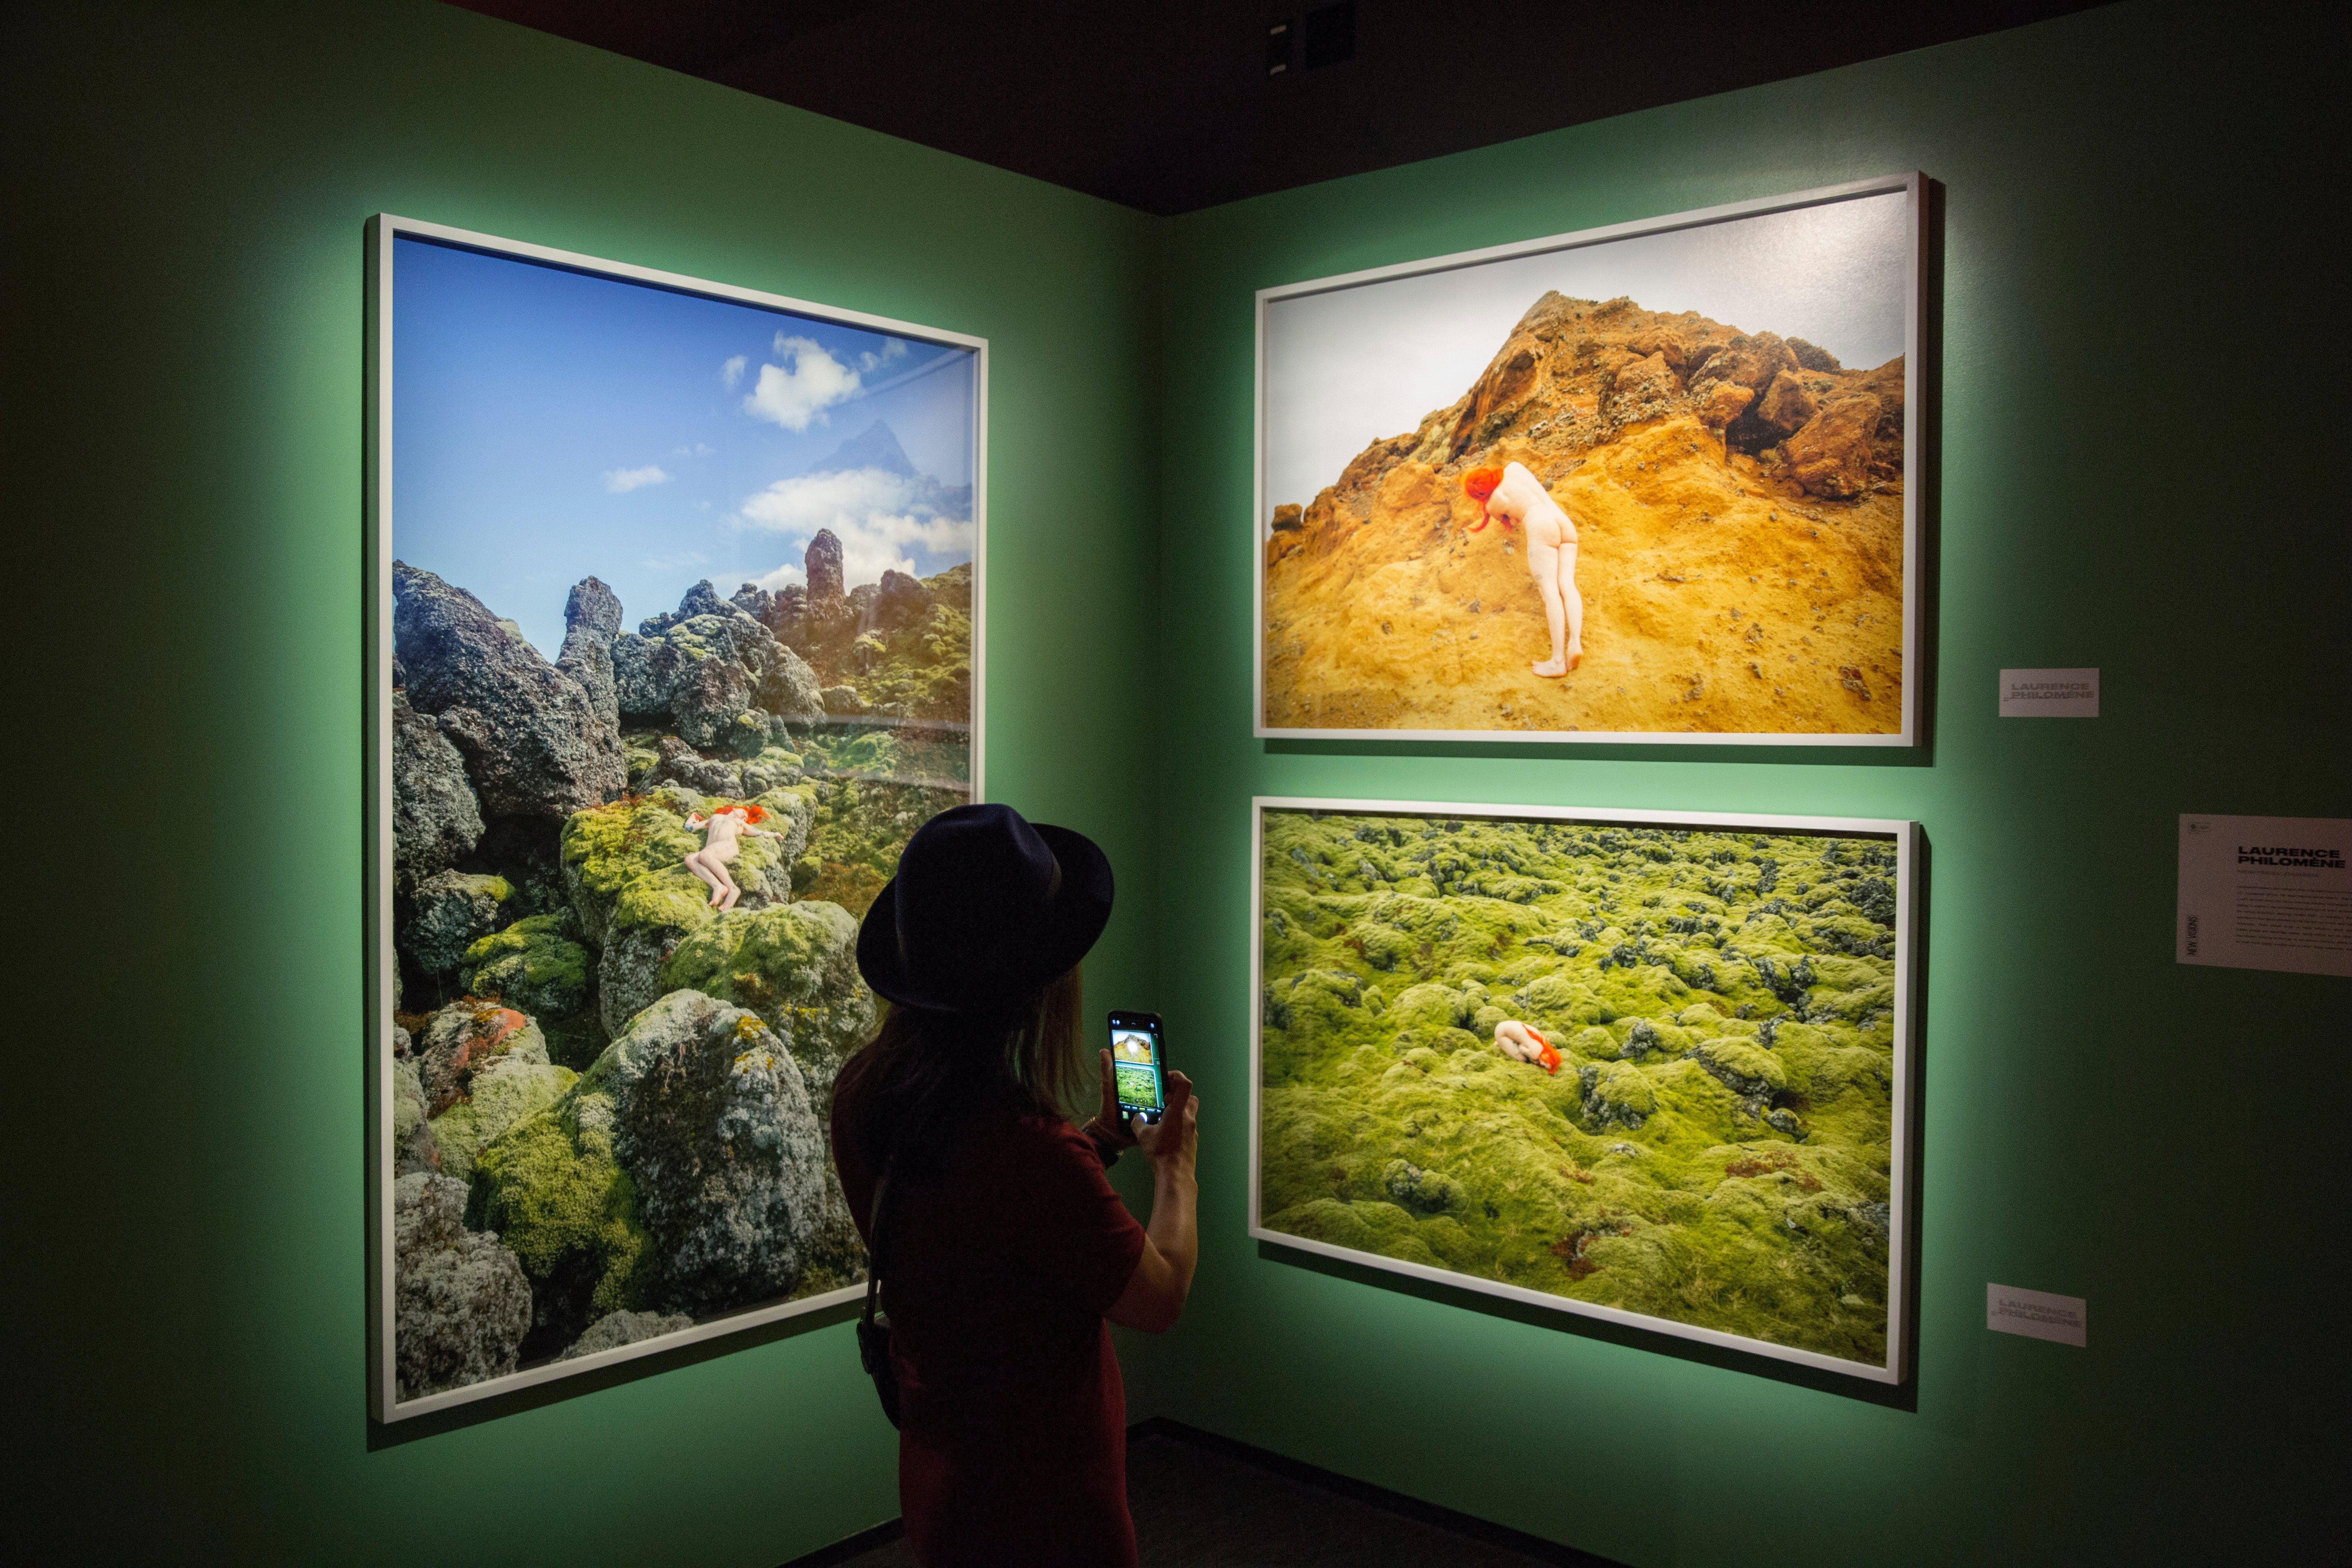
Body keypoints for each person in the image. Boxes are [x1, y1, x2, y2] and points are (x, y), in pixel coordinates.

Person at [831, 803, 1200, 1568]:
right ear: (1037, 983)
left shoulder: (864, 1094)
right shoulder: (1030, 1152)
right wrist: (1175, 1166)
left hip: (942, 1472)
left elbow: (980, 1231)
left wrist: (1097, 1142)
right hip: (1049, 1501)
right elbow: (1158, 1299)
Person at [1464, 461, 1584, 675]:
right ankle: (1575, 642)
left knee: (1550, 593)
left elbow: (1515, 521)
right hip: (1563, 522)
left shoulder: (1493, 504)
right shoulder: (1515, 468)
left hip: (1541, 525)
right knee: (1567, 585)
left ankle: (1558, 661)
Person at [682, 803, 784, 911]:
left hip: (728, 846)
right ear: (734, 809)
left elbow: (757, 832)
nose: (744, 816)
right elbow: (690, 828)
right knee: (689, 860)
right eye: (744, 812)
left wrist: (775, 834)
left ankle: (733, 889)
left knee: (704, 855)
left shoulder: (739, 823)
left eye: (746, 818)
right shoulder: (715, 818)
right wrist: (691, 818)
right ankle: (718, 886)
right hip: (712, 850)